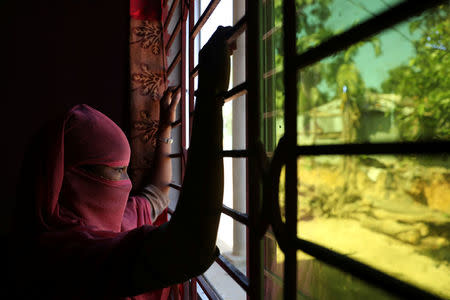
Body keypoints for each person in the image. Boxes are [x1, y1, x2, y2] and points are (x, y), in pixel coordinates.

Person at [8, 26, 233, 299]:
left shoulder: (106, 222)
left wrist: (164, 129)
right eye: (117, 171)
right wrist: (211, 97)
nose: (126, 185)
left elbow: (158, 195)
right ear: (71, 176)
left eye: (126, 170)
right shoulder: (62, 258)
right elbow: (189, 250)